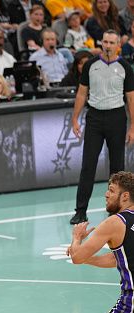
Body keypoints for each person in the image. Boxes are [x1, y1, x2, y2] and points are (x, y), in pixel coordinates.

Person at [67, 171, 134, 313]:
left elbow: (76, 257)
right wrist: (90, 259)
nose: (106, 194)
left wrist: (77, 238)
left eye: (111, 191)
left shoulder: (114, 223)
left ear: (125, 197)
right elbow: (117, 258)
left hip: (131, 303)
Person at [70, 30, 134, 225]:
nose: (107, 45)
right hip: (95, 117)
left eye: (111, 42)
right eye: (105, 42)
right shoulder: (90, 65)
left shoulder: (125, 67)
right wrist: (75, 118)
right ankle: (80, 211)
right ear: (101, 43)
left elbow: (131, 98)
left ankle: (118, 211)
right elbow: (82, 94)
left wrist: (133, 126)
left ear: (117, 46)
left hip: (116, 117)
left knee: (117, 168)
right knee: (88, 165)